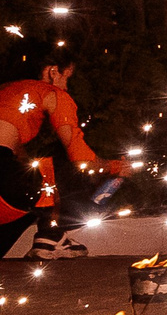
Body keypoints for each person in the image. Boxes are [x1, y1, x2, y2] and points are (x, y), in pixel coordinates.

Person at [0, 64, 130, 259]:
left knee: (29, 193)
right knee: (54, 168)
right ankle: (51, 235)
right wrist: (115, 167)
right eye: (68, 78)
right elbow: (80, 158)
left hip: (7, 184)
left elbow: (19, 159)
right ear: (53, 72)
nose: (67, 88)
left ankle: (49, 236)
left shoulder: (7, 91)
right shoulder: (51, 92)